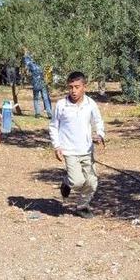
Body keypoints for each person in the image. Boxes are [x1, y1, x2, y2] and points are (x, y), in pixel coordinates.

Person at [50, 71, 105, 219]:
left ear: (84, 87)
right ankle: (67, 182)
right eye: (71, 87)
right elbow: (53, 126)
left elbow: (98, 122)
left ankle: (82, 206)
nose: (73, 91)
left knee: (92, 182)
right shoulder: (61, 105)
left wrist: (100, 135)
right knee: (77, 181)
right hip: (69, 150)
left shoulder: (90, 104)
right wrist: (57, 146)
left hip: (87, 150)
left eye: (77, 87)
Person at [23, 49, 52, 119]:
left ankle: (37, 113)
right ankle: (49, 113)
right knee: (45, 98)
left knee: (36, 99)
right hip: (42, 83)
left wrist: (26, 53)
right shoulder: (42, 64)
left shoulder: (31, 64)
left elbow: (26, 60)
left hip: (35, 83)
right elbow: (48, 71)